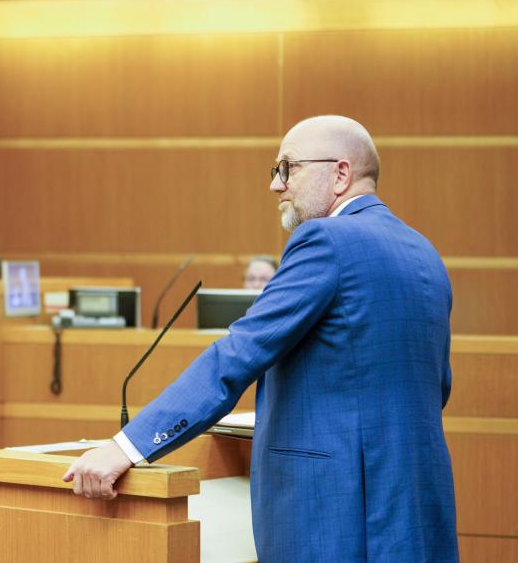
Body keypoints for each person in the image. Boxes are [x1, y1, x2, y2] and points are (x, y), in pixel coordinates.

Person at [63, 116, 458, 562]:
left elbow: (237, 355)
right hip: (417, 506)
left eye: (288, 168)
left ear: (341, 174)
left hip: (336, 509)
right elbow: (436, 385)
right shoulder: (423, 251)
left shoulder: (325, 240)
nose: (276, 185)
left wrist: (126, 446)